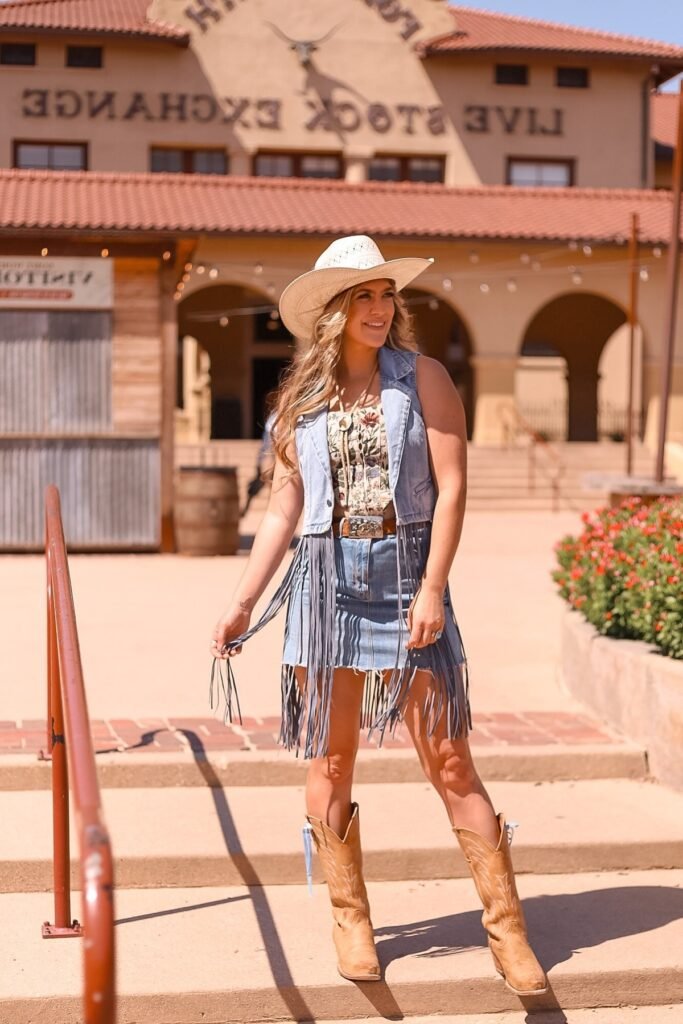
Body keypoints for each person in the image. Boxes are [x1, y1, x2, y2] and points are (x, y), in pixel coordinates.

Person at [210, 235, 547, 994]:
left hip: (405, 577)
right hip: (324, 582)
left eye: (385, 293)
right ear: (330, 309)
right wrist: (240, 605)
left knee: (450, 760)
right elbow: (283, 506)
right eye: (361, 295)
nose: (378, 307)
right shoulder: (299, 398)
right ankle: (349, 916)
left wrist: (432, 588)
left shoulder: (423, 378)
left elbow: (453, 486)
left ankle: (507, 930)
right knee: (330, 760)